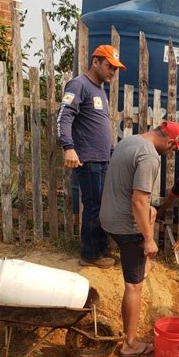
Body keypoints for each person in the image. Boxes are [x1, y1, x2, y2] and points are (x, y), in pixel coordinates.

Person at [99, 121, 179, 357]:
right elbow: (138, 201)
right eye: (173, 149)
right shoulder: (150, 157)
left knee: (153, 211)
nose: (171, 153)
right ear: (169, 142)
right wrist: (148, 239)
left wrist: (150, 215)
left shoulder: (130, 141)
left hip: (107, 217)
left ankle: (142, 263)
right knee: (133, 285)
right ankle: (130, 344)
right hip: (126, 227)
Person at [57, 45, 126, 268]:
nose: (112, 72)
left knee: (102, 206)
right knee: (93, 205)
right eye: (109, 66)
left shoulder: (99, 90)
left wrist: (112, 152)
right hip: (88, 159)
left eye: (115, 69)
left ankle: (100, 249)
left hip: (103, 159)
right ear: (95, 62)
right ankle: (90, 255)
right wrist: (68, 146)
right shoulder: (79, 85)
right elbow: (64, 117)